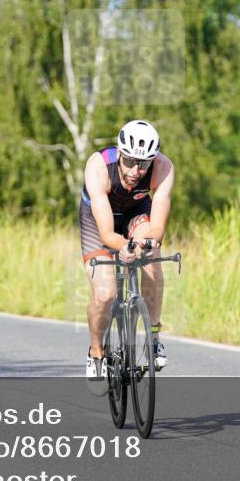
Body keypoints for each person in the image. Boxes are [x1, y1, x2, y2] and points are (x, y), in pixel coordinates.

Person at [81, 120, 175, 381]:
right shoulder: (98, 167)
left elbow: (157, 227)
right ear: (120, 153)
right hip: (98, 220)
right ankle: (96, 351)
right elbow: (107, 234)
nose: (136, 171)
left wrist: (147, 243)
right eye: (130, 161)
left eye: (143, 164)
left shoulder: (163, 167)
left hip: (135, 211)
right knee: (105, 293)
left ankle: (153, 339)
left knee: (151, 254)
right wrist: (123, 246)